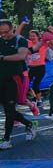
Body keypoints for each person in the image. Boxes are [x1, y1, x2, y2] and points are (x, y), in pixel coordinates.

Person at [0, 19, 37, 149]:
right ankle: (29, 124)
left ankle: (6, 139)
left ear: (12, 29)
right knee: (8, 109)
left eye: (6, 32)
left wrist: (2, 57)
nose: (4, 35)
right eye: (1, 33)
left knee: (10, 108)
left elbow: (21, 56)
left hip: (14, 79)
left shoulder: (20, 40)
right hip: (1, 79)